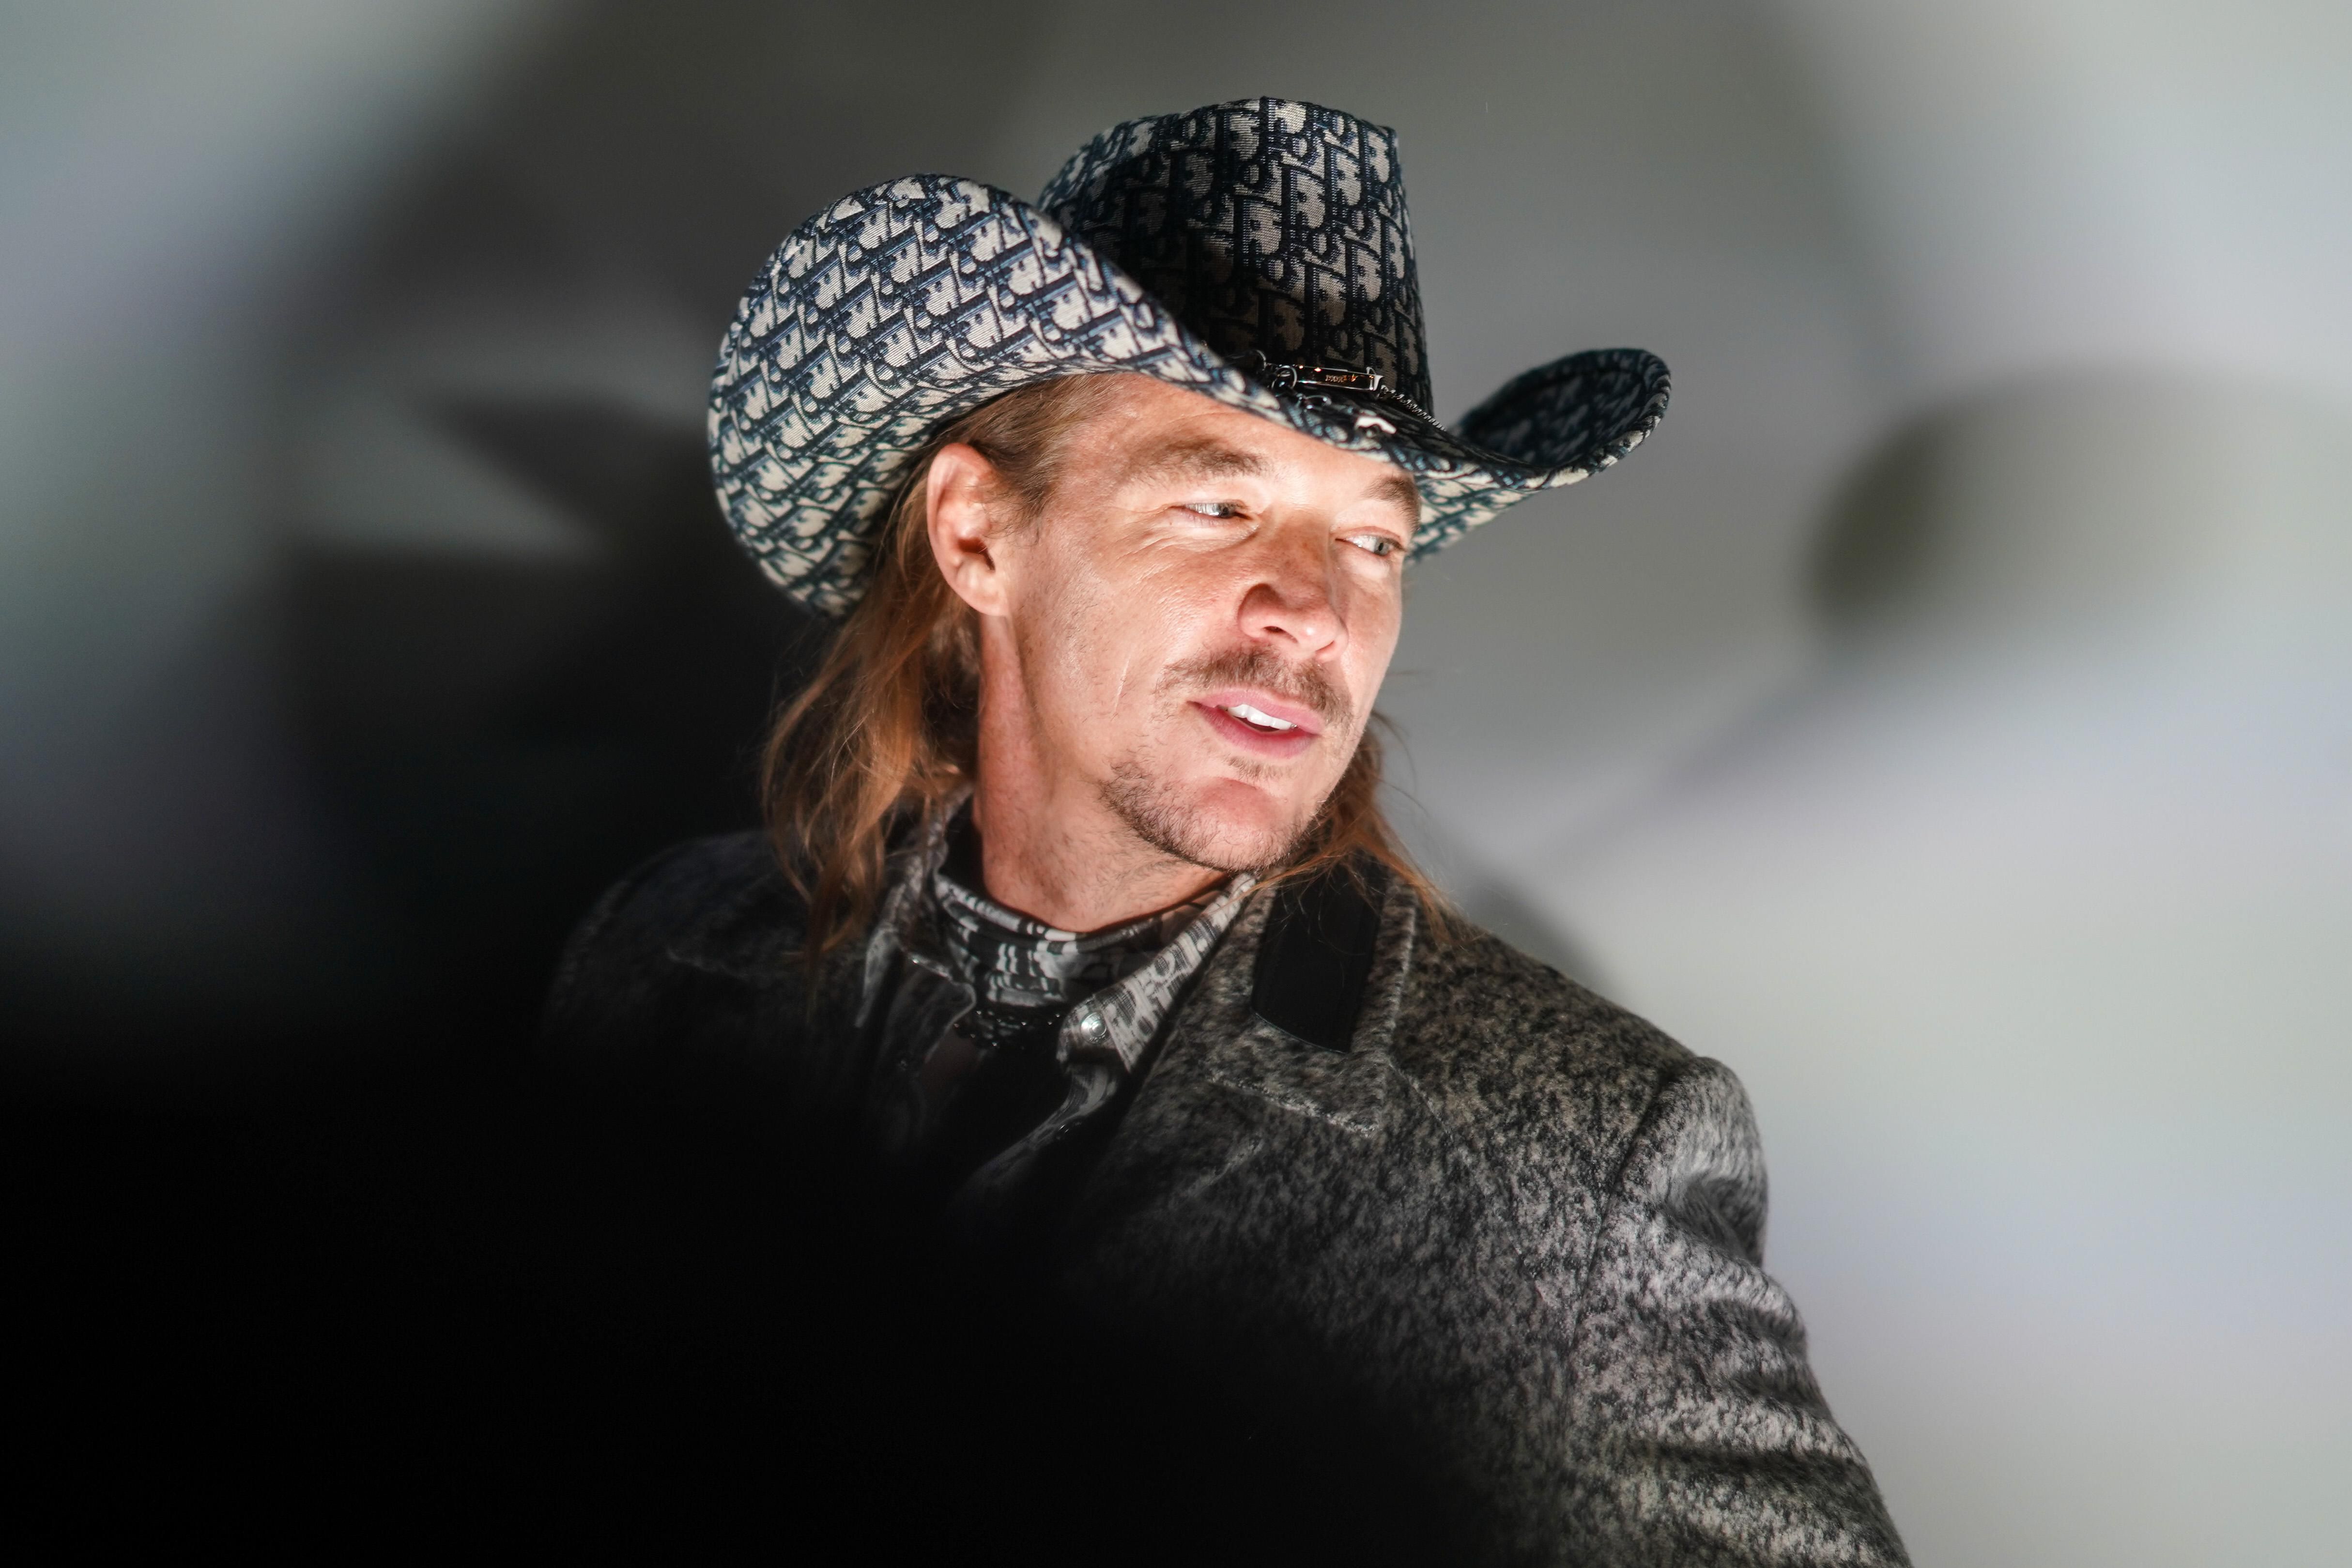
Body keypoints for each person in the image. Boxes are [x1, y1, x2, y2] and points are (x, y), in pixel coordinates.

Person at [544, 98, 1909, 1565]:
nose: (1316, 611)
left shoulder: (1577, 1171)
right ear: (978, 537)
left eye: (1372, 538)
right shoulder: (663, 953)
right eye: (1217, 502)